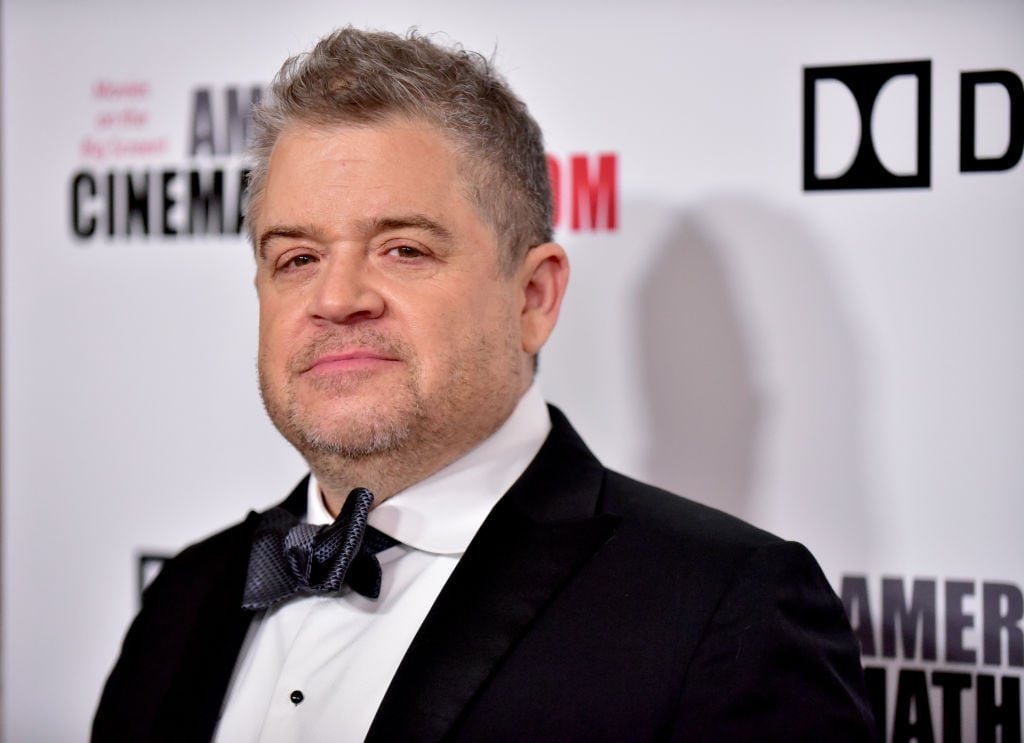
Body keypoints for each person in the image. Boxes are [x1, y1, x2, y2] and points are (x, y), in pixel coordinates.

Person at [93, 27, 877, 742]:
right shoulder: (184, 598)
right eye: (297, 258)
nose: (336, 298)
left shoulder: (725, 614)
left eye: (403, 249)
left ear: (533, 297)